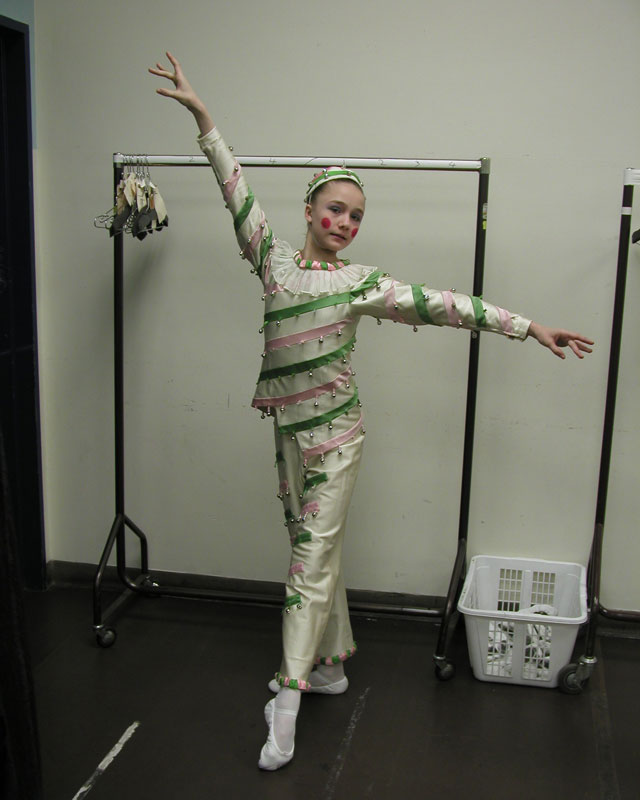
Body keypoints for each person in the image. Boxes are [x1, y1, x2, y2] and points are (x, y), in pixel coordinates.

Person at [149, 52, 594, 771]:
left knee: (310, 561)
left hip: (339, 441)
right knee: (313, 554)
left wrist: (527, 324)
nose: (346, 222)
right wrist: (205, 119)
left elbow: (445, 304)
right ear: (309, 210)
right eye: (336, 209)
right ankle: (329, 668)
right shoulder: (271, 259)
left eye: (357, 215)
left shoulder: (362, 282)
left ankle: (287, 703)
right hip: (289, 437)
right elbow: (234, 189)